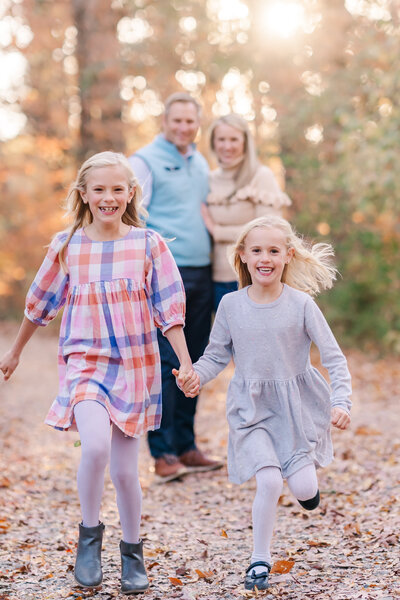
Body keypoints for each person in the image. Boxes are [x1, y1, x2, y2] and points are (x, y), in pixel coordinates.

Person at [0, 151, 195, 594]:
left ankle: (132, 551)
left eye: (117, 189)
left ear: (130, 194)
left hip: (135, 363)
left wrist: (184, 361)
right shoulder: (67, 245)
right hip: (85, 361)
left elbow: (170, 310)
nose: (108, 197)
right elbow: (40, 303)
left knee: (127, 471)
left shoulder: (149, 244)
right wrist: (14, 352)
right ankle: (89, 540)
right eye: (99, 189)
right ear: (84, 194)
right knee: (94, 448)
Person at [176, 216, 352, 591]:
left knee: (304, 488)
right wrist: (195, 377)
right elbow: (215, 357)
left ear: (288, 255)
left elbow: (334, 358)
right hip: (251, 411)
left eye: (273, 250)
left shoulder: (301, 305)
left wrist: (342, 402)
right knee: (269, 480)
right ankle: (260, 560)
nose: (264, 258)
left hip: (297, 408)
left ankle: (307, 489)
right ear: (242, 255)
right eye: (256, 250)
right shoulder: (230, 305)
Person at [129, 92, 222, 482]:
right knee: (166, 361)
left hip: (203, 271)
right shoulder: (144, 160)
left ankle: (186, 445)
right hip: (165, 272)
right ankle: (163, 452)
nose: (184, 127)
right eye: (177, 120)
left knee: (195, 359)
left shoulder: (201, 162)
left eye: (190, 121)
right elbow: (133, 215)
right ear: (164, 121)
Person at [201, 113, 292, 310]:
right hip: (217, 279)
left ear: (245, 142)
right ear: (213, 143)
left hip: (255, 278)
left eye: (234, 139)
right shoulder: (209, 179)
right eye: (221, 139)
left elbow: (270, 232)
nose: (227, 146)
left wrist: (218, 231)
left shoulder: (261, 176)